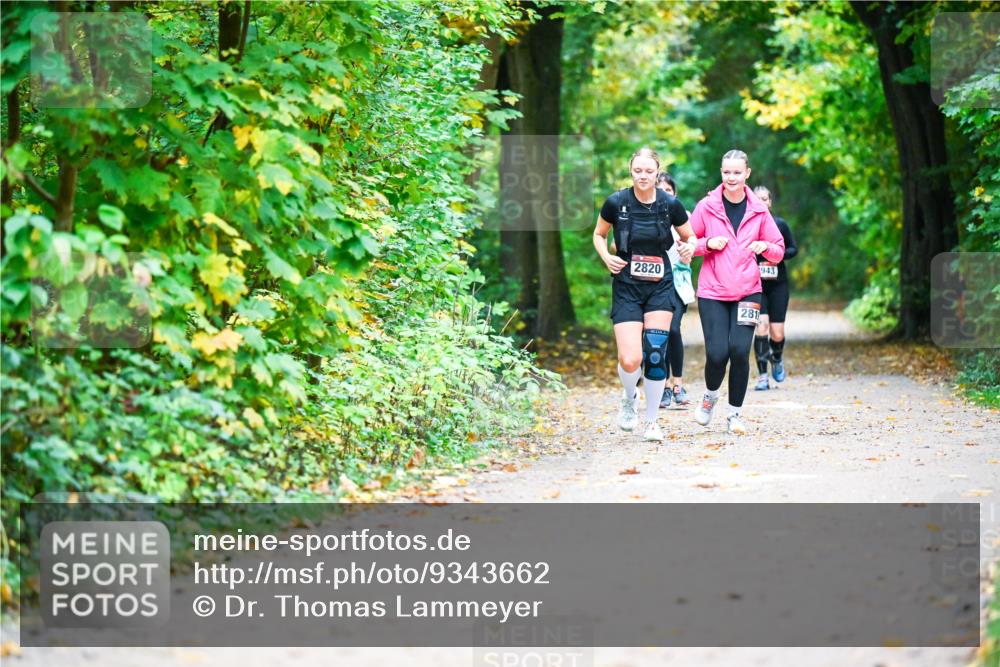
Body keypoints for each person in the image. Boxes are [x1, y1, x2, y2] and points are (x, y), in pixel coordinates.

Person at [593, 148, 697, 442]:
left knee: (654, 353)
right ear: (631, 171)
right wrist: (605, 257)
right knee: (629, 359)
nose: (643, 176)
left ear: (656, 172)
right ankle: (629, 398)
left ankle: (652, 422)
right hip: (626, 285)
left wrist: (689, 247)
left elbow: (690, 236)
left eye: (648, 171)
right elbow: (598, 234)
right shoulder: (616, 202)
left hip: (660, 285)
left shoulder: (670, 204)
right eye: (638, 170)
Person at [687, 149, 785, 434]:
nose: (731, 177)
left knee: (740, 351)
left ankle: (735, 415)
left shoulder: (759, 210)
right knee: (717, 354)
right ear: (721, 173)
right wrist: (707, 244)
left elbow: (778, 250)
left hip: (748, 291)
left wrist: (765, 248)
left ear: (747, 174)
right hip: (713, 291)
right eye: (726, 172)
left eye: (737, 172)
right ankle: (709, 396)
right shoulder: (706, 206)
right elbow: (686, 244)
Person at [751, 186, 798, 391]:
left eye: (765, 199)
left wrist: (775, 254)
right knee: (761, 327)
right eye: (757, 198)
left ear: (770, 202)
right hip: (756, 285)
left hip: (778, 285)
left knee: (777, 333)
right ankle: (762, 376)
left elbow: (793, 248)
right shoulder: (747, 227)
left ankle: (777, 358)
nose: (761, 202)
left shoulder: (780, 224)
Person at [655, 172, 694, 409]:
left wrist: (688, 249)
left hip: (677, 282)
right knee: (660, 334)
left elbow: (693, 243)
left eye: (667, 190)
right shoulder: (645, 216)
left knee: (673, 329)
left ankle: (677, 383)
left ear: (674, 194)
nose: (663, 194)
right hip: (653, 283)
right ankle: (665, 388)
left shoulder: (683, 216)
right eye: (659, 190)